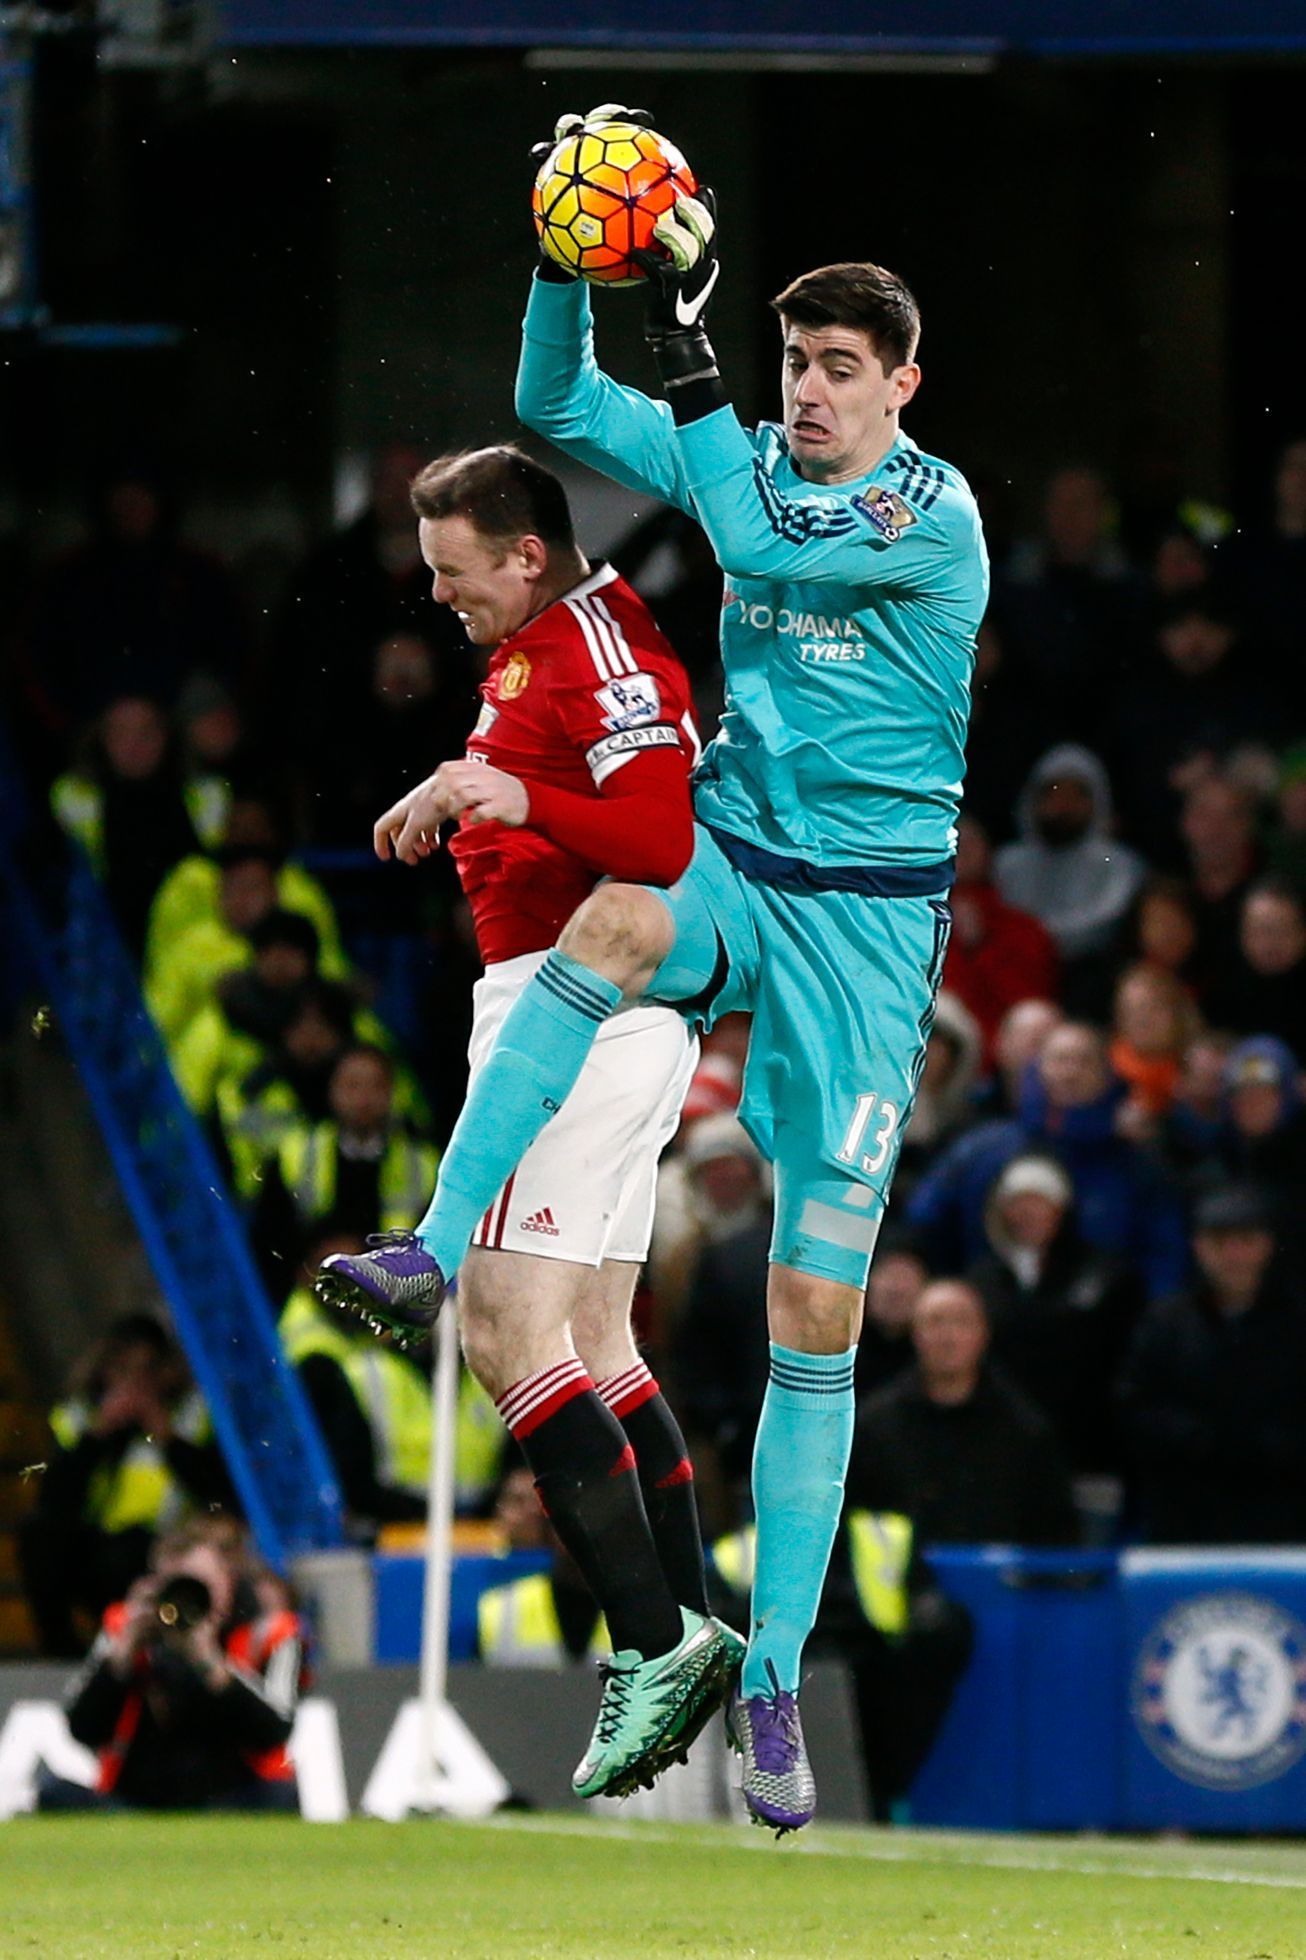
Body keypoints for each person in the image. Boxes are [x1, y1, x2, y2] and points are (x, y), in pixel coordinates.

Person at [323, 105, 988, 1832]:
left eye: (842, 367)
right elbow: (554, 410)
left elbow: (762, 556)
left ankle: (765, 1688)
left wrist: (686, 347)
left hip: (867, 922)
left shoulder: (935, 518)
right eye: (797, 363)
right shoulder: (746, 447)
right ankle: (425, 1242)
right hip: (745, 868)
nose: (815, 392)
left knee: (809, 1312)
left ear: (905, 382)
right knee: (611, 921)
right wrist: (566, 262)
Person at [315, 443, 739, 1801]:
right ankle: (694, 1620)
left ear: (526, 556)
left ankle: (653, 1645)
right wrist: (462, 783)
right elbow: (551, 789)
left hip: (576, 1014)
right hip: (599, 1018)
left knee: (500, 1332)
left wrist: (507, 794)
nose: (438, 595)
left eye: (453, 574)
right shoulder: (546, 646)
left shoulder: (594, 652)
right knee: (597, 1340)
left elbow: (656, 837)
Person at [42, 1517, 305, 1812]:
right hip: (135, 1802)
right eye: (175, 1587)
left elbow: (275, 1732)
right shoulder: (127, 1628)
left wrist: (211, 1663)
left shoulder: (266, 1633)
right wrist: (124, 1653)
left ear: (227, 1583)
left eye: (199, 1586)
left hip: (230, 1799)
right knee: (53, 1792)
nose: (185, 1600)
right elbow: (82, 1729)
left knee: (283, 1797)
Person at [18, 1315, 234, 1658]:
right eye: (124, 1370)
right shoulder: (79, 1417)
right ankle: (61, 1654)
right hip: (96, 1547)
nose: (134, 1384)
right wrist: (100, 1433)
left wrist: (165, 1435)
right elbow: (54, 1500)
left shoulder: (190, 1418)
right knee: (37, 1537)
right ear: (106, 1371)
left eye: (145, 1372)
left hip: (162, 1549)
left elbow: (217, 1491)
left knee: (129, 1552)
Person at [1117, 1184, 1306, 1544]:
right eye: (1220, 1242)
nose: (1234, 1255)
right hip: (1185, 1522)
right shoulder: (1165, 1324)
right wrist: (1199, 1440)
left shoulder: (1296, 1324)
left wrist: (1269, 1446)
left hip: (1283, 1521)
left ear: (1267, 1245)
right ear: (1199, 1248)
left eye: (1246, 1240)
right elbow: (1136, 1403)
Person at [847, 1280, 1078, 1548]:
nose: (948, 1337)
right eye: (935, 1322)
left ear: (984, 1333)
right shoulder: (876, 1425)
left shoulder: (1024, 1429)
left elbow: (1054, 1529)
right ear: (915, 1333)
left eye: (962, 1322)